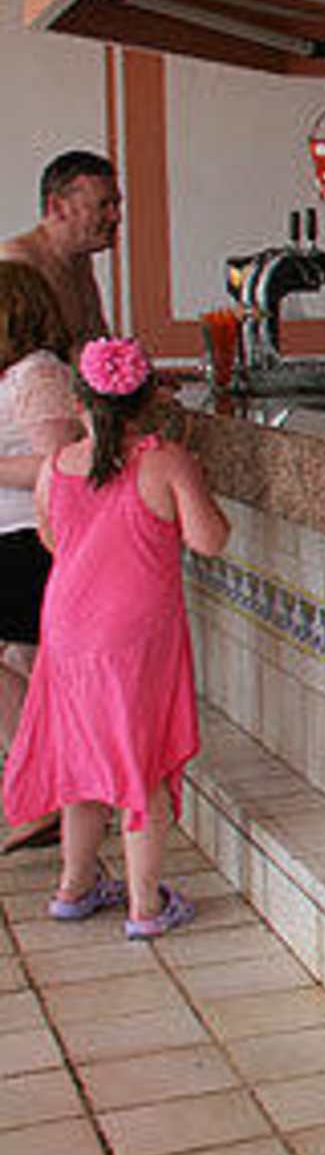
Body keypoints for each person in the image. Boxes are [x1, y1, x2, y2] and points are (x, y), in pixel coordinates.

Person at [2, 337, 228, 938]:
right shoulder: (166, 461)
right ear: (151, 399)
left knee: (81, 756)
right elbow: (208, 540)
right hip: (137, 635)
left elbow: (51, 539)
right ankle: (145, 905)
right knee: (139, 761)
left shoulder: (56, 467)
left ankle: (73, 887)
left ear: (78, 402)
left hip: (68, 627)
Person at [0, 267, 82, 849]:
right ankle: (46, 790)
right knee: (27, 665)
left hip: (29, 539)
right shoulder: (17, 374)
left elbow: (59, 465)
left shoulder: (39, 373)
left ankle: (47, 781)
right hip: (12, 536)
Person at [1, 151, 121, 347]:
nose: (116, 216)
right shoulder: (16, 263)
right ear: (58, 207)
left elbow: (97, 342)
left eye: (116, 204)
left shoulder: (81, 260)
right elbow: (14, 355)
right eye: (103, 205)